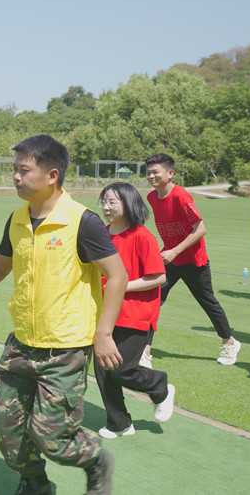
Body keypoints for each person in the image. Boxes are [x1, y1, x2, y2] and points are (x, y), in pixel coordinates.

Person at [0, 135, 127, 495]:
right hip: (21, 343)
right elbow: (1, 265)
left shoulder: (82, 222)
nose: (15, 176)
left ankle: (95, 460)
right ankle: (34, 484)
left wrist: (104, 333)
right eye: (15, 169)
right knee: (9, 432)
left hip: (65, 350)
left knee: (53, 438)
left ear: (51, 175)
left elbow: (118, 275)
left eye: (23, 170)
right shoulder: (17, 218)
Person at [143, 153, 240, 367]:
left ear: (169, 173)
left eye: (155, 172)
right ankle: (145, 351)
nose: (151, 176)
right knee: (154, 300)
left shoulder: (180, 196)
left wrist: (174, 251)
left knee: (208, 302)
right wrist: (165, 252)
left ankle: (229, 341)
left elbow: (201, 229)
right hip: (170, 261)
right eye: (148, 172)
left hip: (194, 262)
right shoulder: (151, 198)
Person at [94, 182, 175, 439]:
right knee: (103, 369)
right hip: (105, 313)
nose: (106, 207)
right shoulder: (102, 235)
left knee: (121, 370)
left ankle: (159, 387)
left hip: (135, 314)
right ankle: (120, 423)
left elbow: (158, 277)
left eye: (112, 202)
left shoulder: (142, 236)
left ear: (128, 204)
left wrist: (119, 287)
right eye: (104, 201)